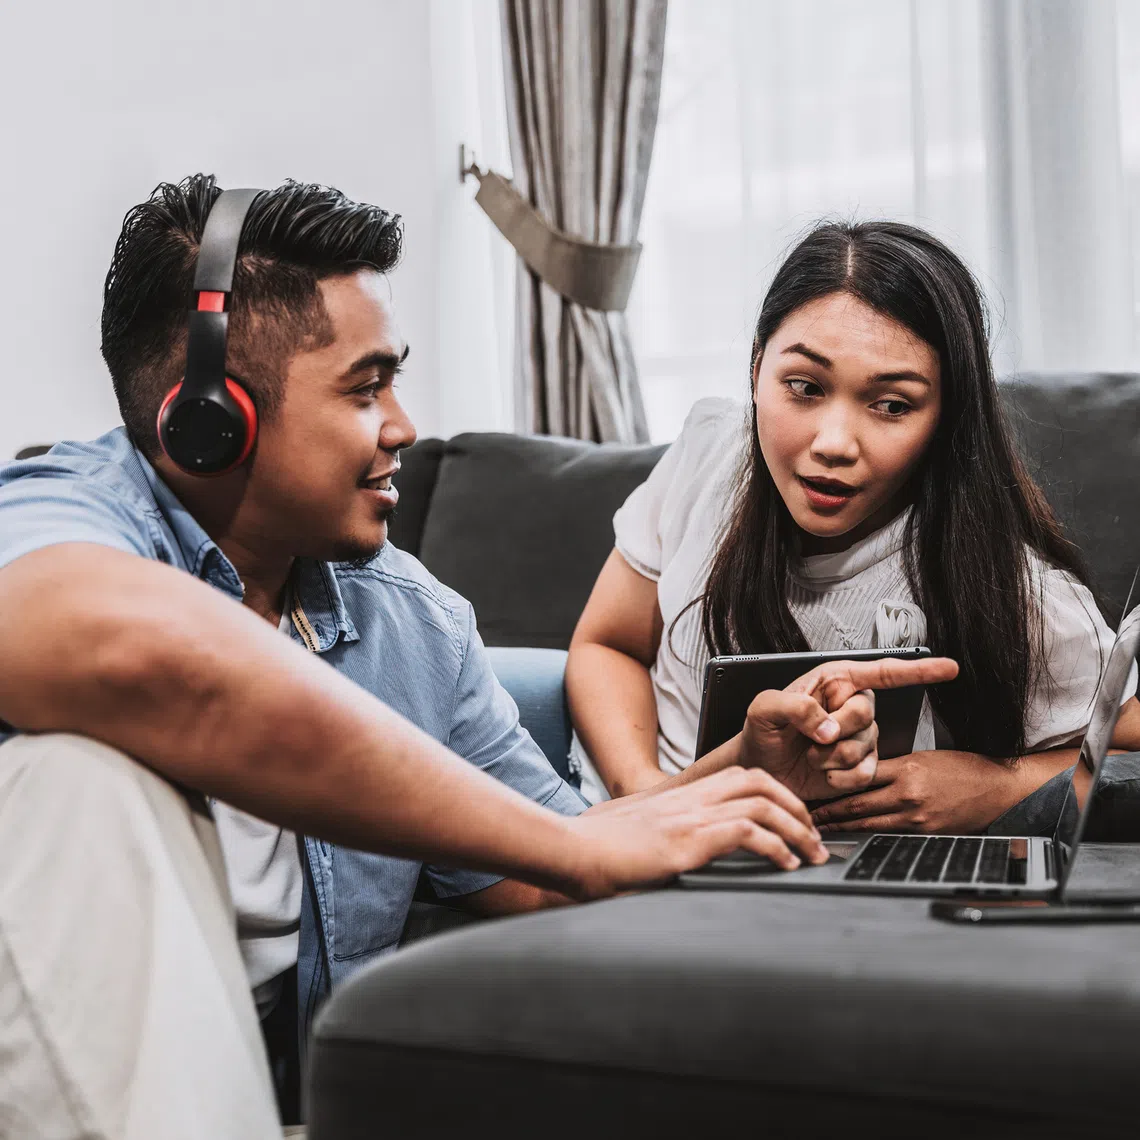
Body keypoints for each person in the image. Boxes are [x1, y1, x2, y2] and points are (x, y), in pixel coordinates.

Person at [0, 180, 953, 1139]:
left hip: (280, 1100)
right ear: (211, 420)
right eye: (366, 388)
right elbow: (124, 652)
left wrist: (732, 780)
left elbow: (552, 862)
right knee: (73, 773)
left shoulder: (413, 626)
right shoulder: (59, 518)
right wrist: (579, 845)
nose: (404, 426)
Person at [567, 219, 1140, 833]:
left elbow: (1126, 738)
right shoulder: (708, 455)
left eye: (892, 405)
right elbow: (608, 644)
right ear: (757, 369)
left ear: (945, 416)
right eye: (804, 387)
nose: (835, 444)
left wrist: (996, 784)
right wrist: (651, 798)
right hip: (620, 837)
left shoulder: (1014, 588)